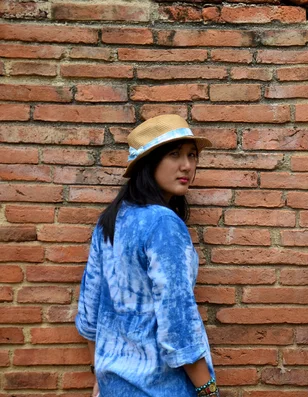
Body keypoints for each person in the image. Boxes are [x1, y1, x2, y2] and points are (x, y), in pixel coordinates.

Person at [76, 114, 219, 397]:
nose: (187, 165)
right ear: (149, 162)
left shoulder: (110, 221)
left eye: (192, 155)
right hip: (161, 388)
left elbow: (89, 314)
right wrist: (208, 389)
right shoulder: (163, 224)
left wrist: (99, 375)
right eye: (174, 154)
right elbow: (177, 320)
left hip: (113, 387)